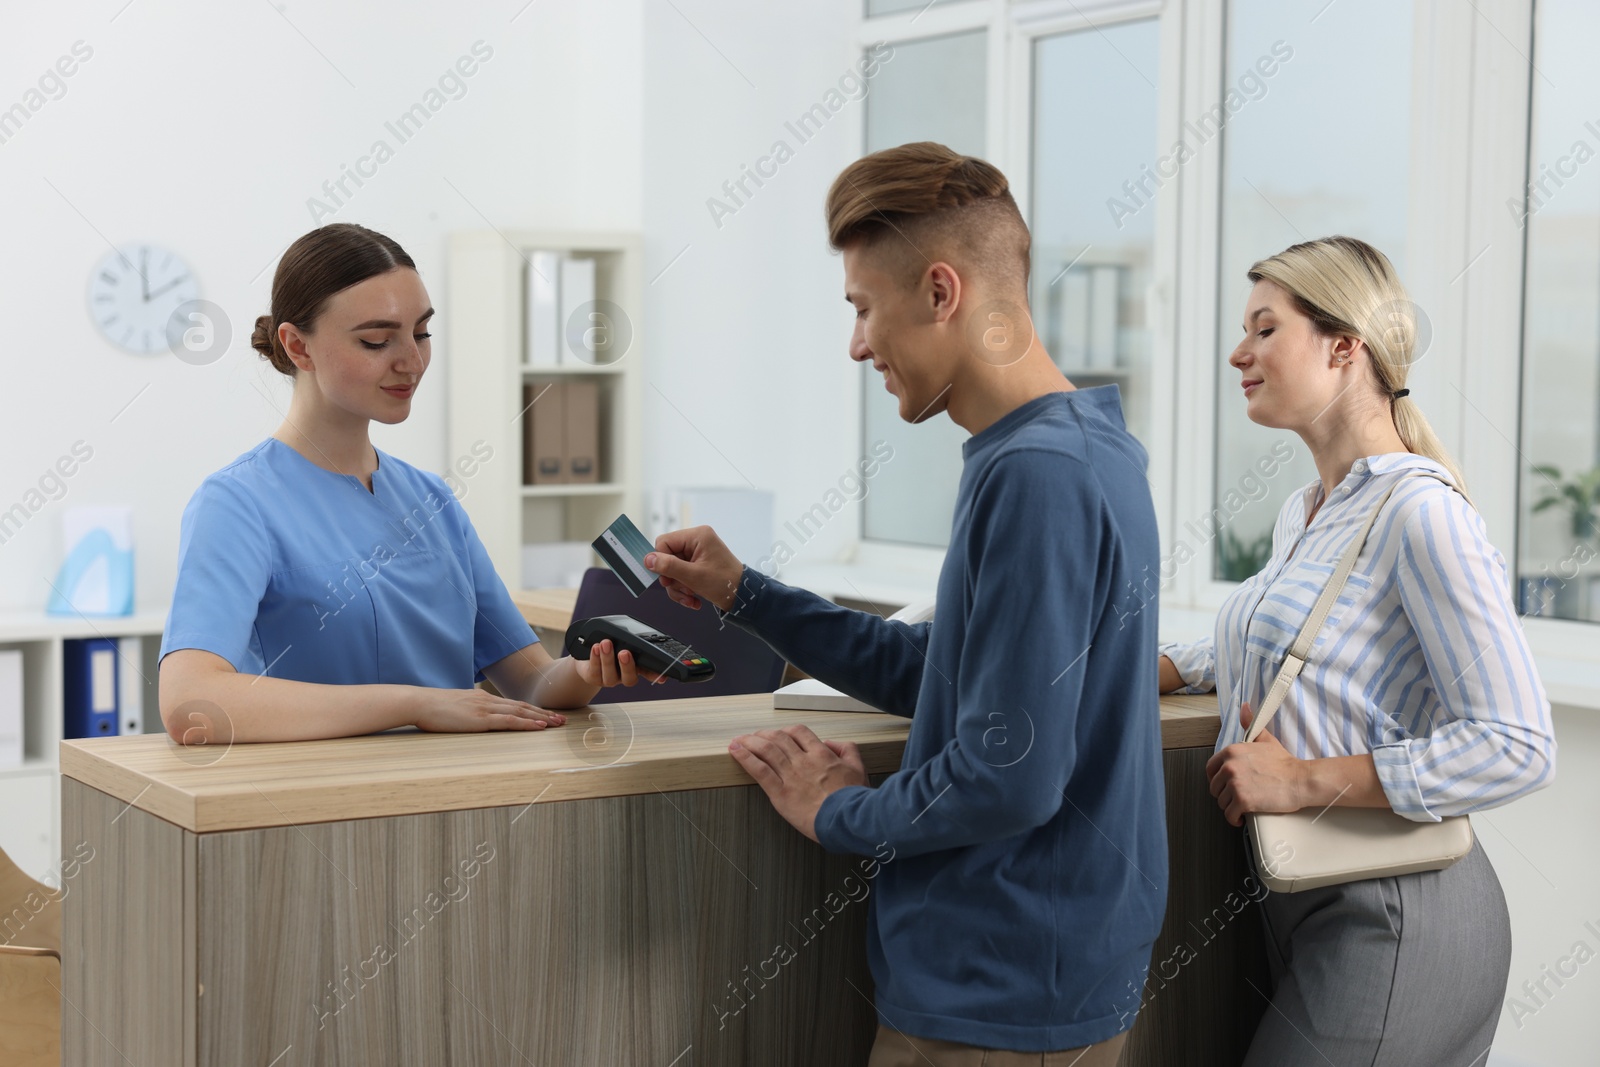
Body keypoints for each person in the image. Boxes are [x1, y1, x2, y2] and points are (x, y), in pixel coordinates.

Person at [645, 142, 1166, 1065]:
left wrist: (835, 810)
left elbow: (1008, 772)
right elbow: (949, 673)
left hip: (992, 994)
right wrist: (745, 592)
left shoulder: (1033, 474)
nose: (856, 344)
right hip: (1042, 975)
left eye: (860, 307)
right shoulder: (1083, 445)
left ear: (939, 291)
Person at [1158, 236, 1556, 1065]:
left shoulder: (1423, 513)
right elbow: (1285, 646)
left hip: (1395, 909)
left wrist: (1302, 779)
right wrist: (1135, 664)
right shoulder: (1309, 510)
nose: (1240, 352)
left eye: (1265, 329)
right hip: (1303, 894)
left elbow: (1517, 743)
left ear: (1346, 347)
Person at [158, 222, 649, 745]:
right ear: (297, 347)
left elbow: (529, 680)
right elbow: (193, 705)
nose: (411, 362)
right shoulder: (236, 504)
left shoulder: (432, 501)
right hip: (324, 808)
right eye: (376, 340)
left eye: (422, 333)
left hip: (458, 799)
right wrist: (416, 703)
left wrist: (588, 667)